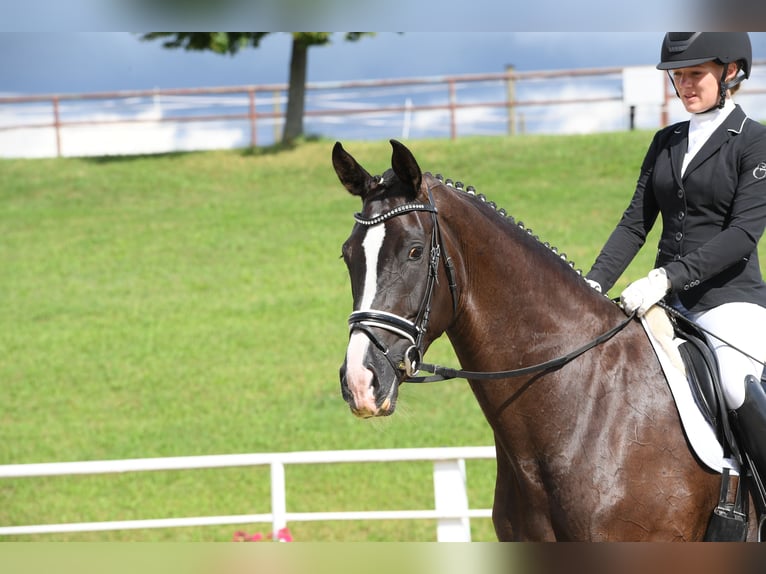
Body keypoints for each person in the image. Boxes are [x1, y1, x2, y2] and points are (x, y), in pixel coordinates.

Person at [585, 32, 766, 495]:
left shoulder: (755, 142)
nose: (684, 85)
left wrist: (667, 276)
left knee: (733, 385)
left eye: (695, 74)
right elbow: (633, 226)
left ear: (730, 72)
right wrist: (589, 285)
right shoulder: (666, 141)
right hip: (666, 305)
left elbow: (742, 235)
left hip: (729, 302)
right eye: (677, 75)